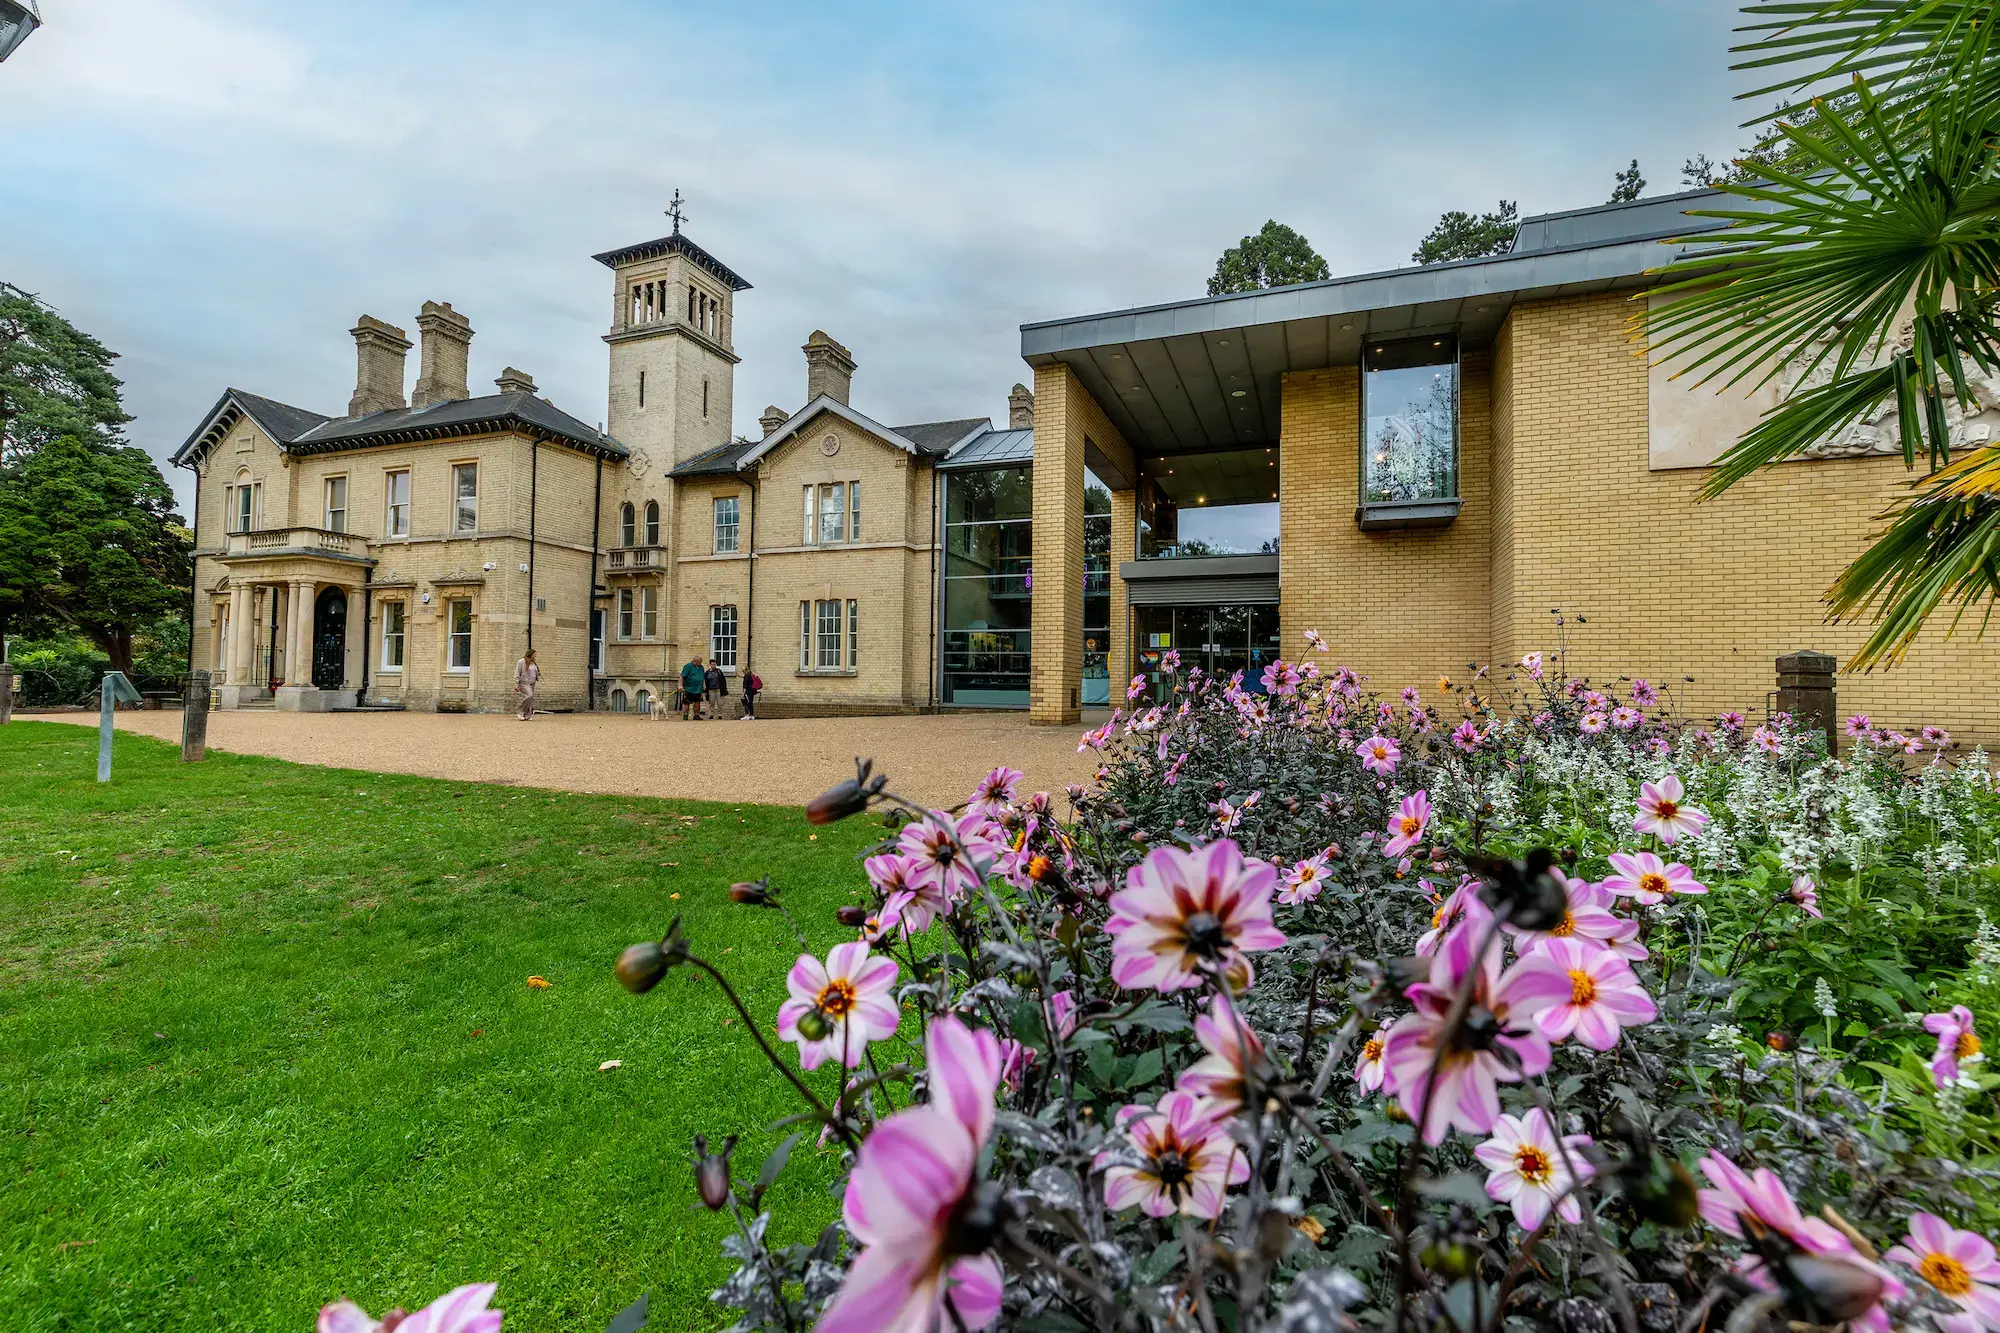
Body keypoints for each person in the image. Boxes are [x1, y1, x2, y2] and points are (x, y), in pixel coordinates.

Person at [513, 648, 539, 721]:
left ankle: (527, 715)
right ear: (530, 654)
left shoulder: (533, 662)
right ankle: (519, 711)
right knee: (529, 696)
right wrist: (516, 684)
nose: (535, 656)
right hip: (524, 682)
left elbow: (534, 671)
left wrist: (537, 674)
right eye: (534, 654)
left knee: (530, 699)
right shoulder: (521, 662)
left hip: (532, 683)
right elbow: (517, 673)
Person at [679, 654, 707, 721]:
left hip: (698, 688)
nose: (701, 663)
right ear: (695, 661)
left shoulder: (701, 667)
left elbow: (702, 677)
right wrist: (680, 685)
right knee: (686, 702)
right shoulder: (688, 666)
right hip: (689, 687)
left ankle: (696, 715)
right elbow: (682, 676)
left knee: (698, 701)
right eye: (700, 662)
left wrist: (704, 685)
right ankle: (685, 715)